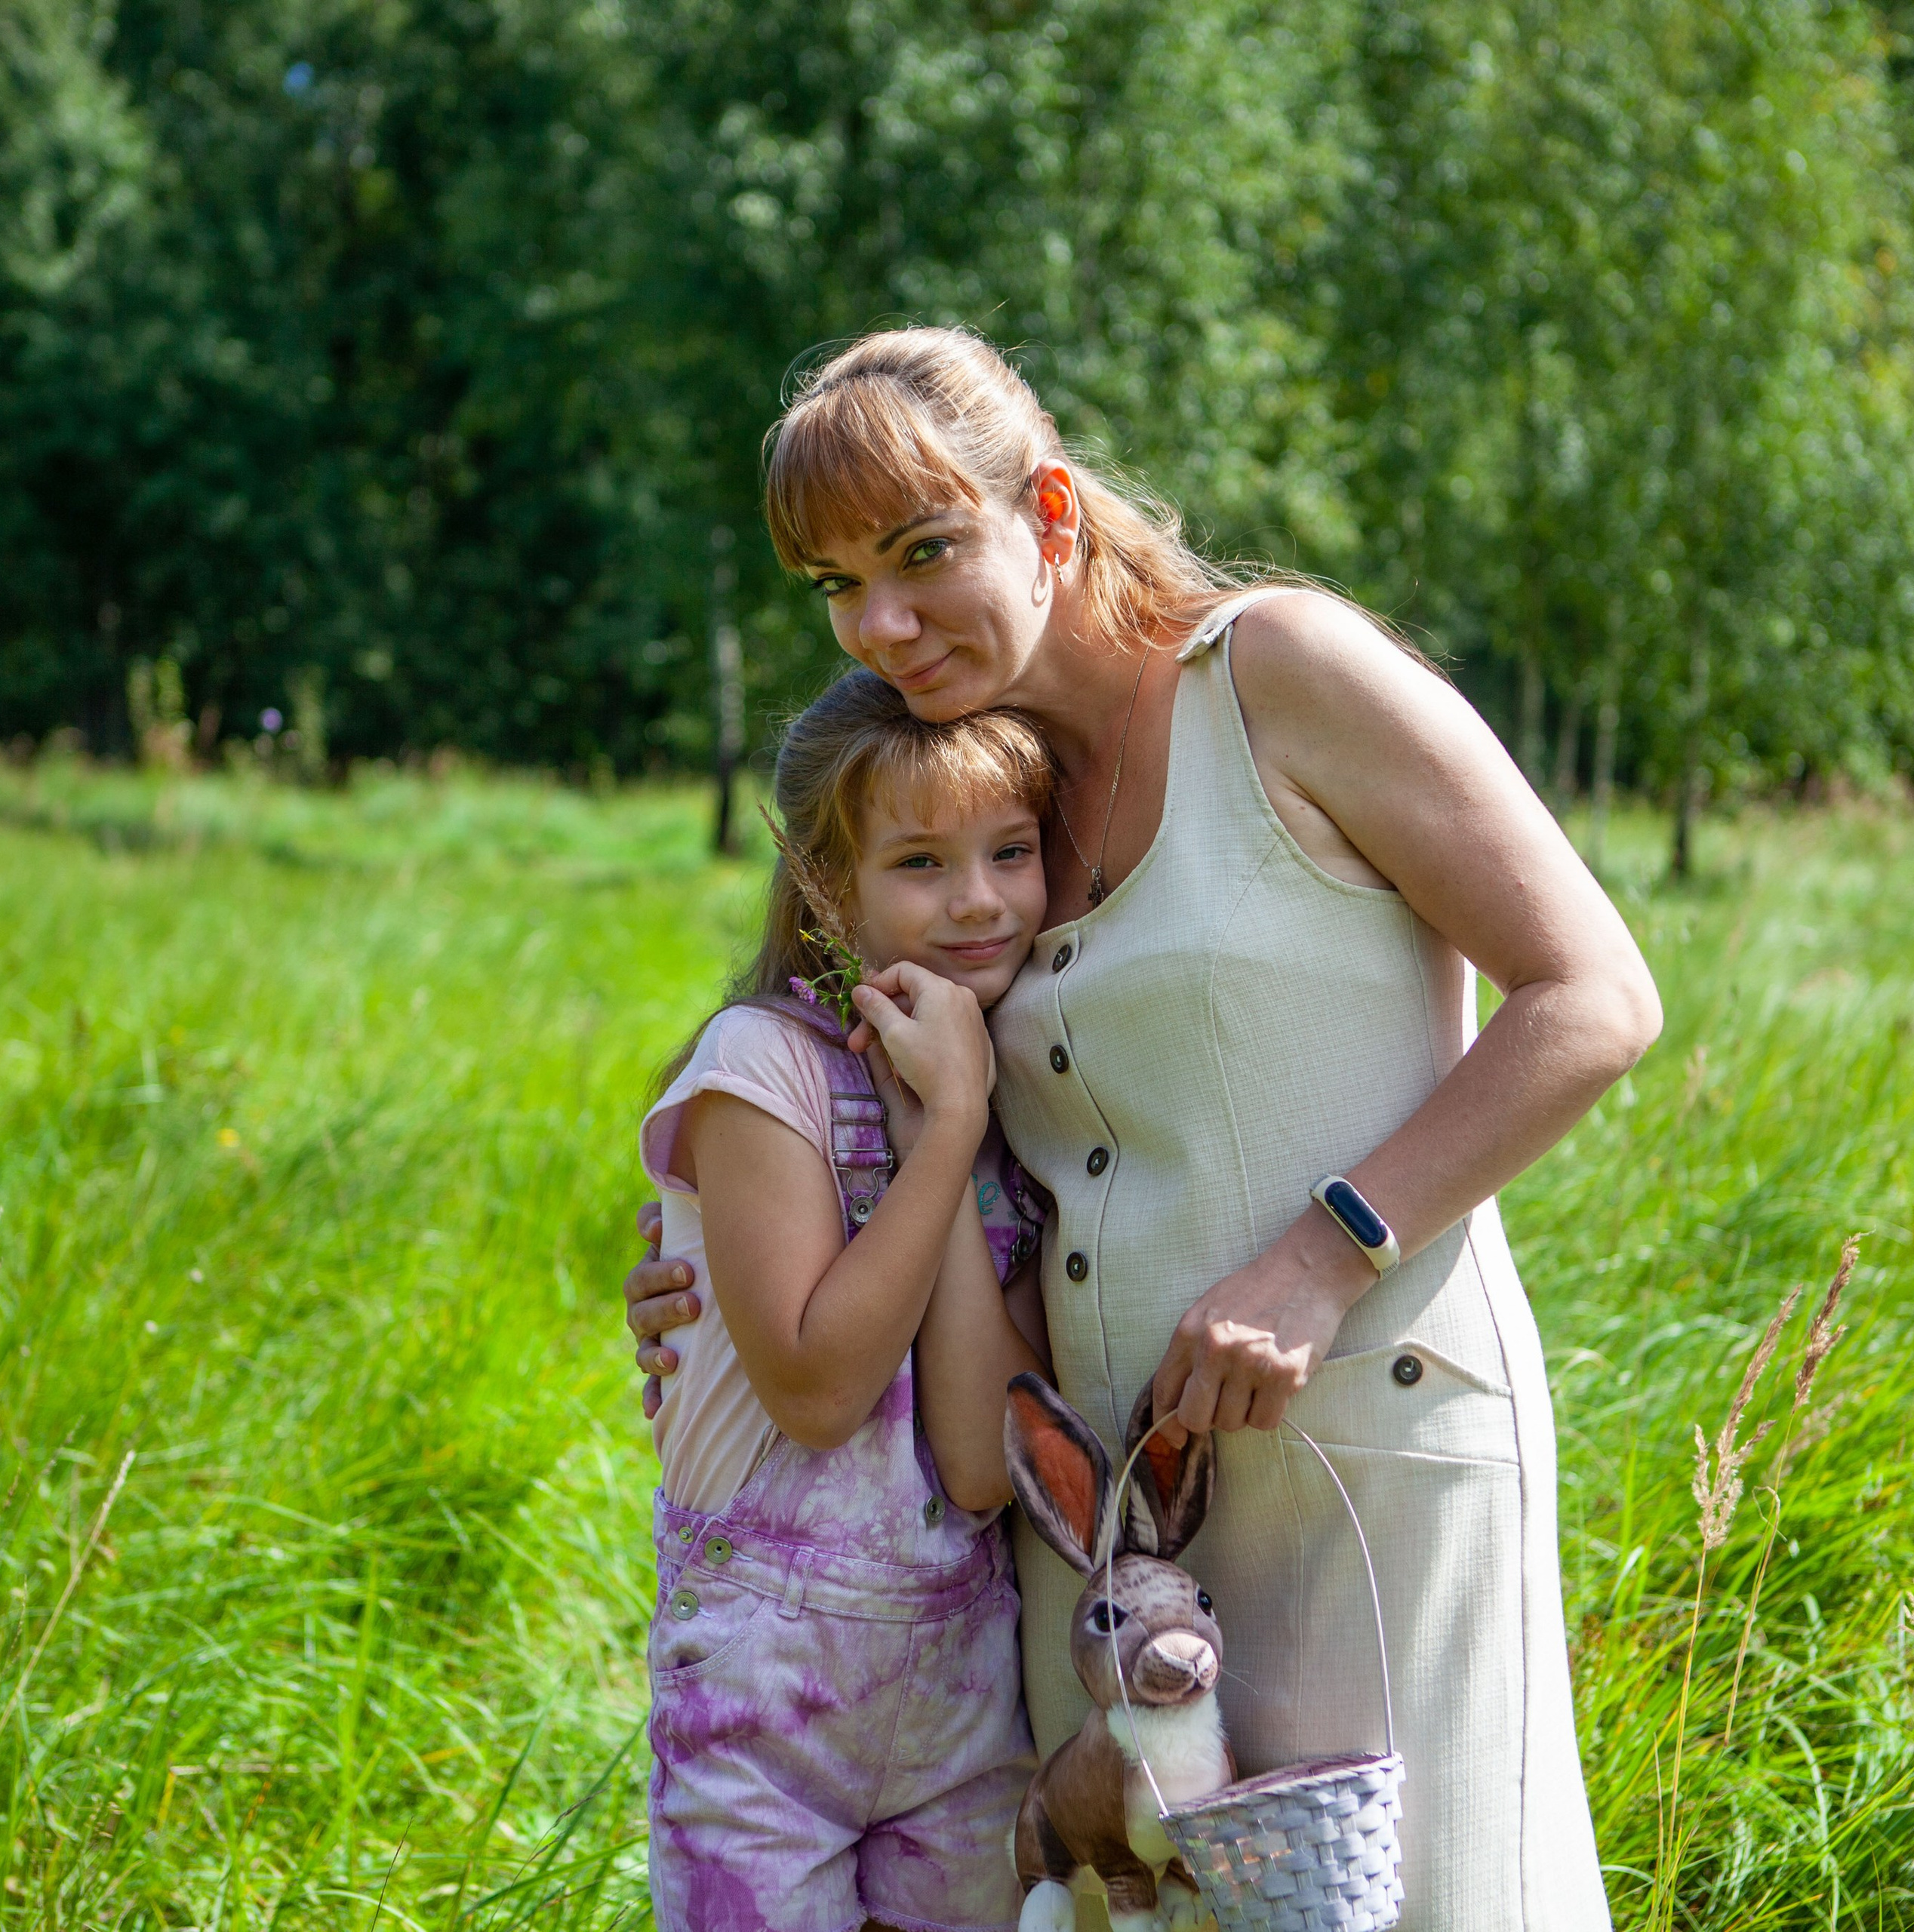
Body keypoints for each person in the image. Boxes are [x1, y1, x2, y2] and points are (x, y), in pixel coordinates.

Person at [629, 327, 1663, 1927]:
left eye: (922, 550)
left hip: (1357, 1454)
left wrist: (1326, 1253)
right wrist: (703, 1286)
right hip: (1096, 1530)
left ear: (1045, 508)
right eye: (833, 582)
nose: (879, 621)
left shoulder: (1280, 674)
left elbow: (1592, 995)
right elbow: (892, 1108)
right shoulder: (994, 793)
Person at [639, 669, 1057, 1932]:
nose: (979, 900)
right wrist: (948, 1132)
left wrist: (968, 1112)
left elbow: (983, 1467)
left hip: (963, 1694)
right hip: (764, 1696)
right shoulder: (764, 1070)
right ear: (831, 886)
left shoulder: (1009, 1086)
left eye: (1014, 852)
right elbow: (821, 1392)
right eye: (921, 864)